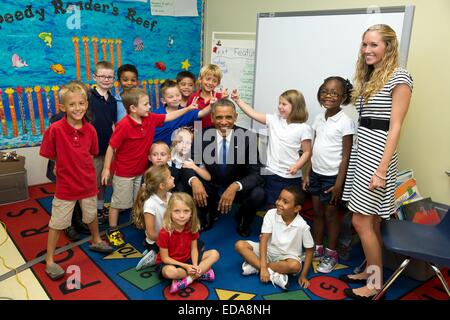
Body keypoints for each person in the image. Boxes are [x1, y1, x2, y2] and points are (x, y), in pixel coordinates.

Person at [340, 24, 413, 300]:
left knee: (361, 222)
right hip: (363, 149)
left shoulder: (400, 77)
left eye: (374, 45)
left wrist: (382, 170)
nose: (367, 50)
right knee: (368, 221)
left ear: (388, 48)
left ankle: (375, 284)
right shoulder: (370, 77)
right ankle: (371, 273)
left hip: (378, 155)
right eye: (364, 44)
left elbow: (395, 127)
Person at [101, 88, 198, 248]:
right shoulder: (124, 125)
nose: (149, 107)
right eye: (146, 104)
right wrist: (106, 169)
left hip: (141, 170)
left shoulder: (149, 118)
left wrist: (187, 108)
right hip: (124, 172)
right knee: (118, 202)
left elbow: (168, 116)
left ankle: (138, 220)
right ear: (133, 108)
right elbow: (112, 147)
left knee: (135, 199)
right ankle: (112, 229)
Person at [39, 82, 114, 280]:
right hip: (65, 186)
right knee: (58, 222)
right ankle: (49, 259)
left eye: (81, 103)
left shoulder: (90, 130)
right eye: (72, 105)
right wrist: (60, 164)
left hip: (88, 182)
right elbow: (49, 153)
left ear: (87, 104)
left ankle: (96, 240)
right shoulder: (55, 129)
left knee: (91, 215)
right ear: (63, 107)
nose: (78, 108)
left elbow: (92, 152)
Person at [183, 98, 265, 237]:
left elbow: (256, 173)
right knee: (189, 182)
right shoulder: (201, 135)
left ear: (235, 117)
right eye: (219, 117)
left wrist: (235, 186)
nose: (223, 122)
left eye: (228, 117)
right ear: (212, 117)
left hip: (236, 187)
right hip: (211, 184)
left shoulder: (248, 136)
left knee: (258, 194)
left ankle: (243, 217)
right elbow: (188, 163)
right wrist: (194, 181)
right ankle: (209, 211)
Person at [303, 76, 355, 273]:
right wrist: (307, 172)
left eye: (334, 92)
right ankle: (317, 247)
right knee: (317, 213)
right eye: (325, 91)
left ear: (343, 97)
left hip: (333, 177)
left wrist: (339, 184)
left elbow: (346, 156)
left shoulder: (346, 122)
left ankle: (331, 253)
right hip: (316, 173)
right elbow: (314, 147)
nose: (328, 95)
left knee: (331, 215)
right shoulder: (318, 117)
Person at [231, 89, 312, 208]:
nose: (280, 107)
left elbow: (307, 151)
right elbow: (252, 113)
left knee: (287, 207)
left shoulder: (304, 128)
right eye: (279, 103)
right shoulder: (275, 120)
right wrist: (238, 100)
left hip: (290, 177)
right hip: (272, 173)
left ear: (295, 106)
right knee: (272, 206)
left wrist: (297, 166)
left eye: (284, 104)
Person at [235, 186, 314, 290]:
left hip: (286, 258)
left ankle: (256, 267)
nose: (279, 203)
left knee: (295, 266)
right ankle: (273, 273)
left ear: (296, 208)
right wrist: (263, 267)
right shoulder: (271, 214)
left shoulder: (302, 226)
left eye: (285, 202)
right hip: (267, 252)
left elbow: (309, 251)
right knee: (240, 245)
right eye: (279, 198)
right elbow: (263, 240)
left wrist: (303, 276)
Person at [156, 192, 220, 293]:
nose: (182, 216)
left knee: (214, 254)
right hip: (170, 263)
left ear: (191, 213)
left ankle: (188, 279)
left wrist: (194, 265)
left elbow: (194, 249)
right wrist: (186, 266)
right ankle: (201, 274)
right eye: (177, 211)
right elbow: (165, 258)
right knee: (170, 273)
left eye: (186, 211)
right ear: (170, 212)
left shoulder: (191, 227)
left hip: (188, 259)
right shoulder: (164, 232)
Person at [90, 61, 117, 224]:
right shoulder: (88, 97)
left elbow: (113, 124)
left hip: (108, 150)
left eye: (110, 77)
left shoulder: (113, 100)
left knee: (104, 182)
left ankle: (99, 209)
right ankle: (89, 212)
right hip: (92, 150)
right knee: (92, 184)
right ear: (95, 77)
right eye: (102, 76)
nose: (106, 79)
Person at [132, 165, 174, 270]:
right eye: (170, 177)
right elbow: (151, 234)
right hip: (157, 240)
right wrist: (169, 239)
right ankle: (154, 255)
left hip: (169, 235)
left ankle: (155, 252)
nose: (173, 178)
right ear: (162, 186)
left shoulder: (170, 196)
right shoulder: (150, 204)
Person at [153, 79, 211, 146]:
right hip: (160, 152)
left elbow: (202, 113)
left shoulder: (187, 111)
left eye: (178, 95)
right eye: (171, 97)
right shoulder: (156, 114)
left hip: (179, 152)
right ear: (163, 100)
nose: (175, 99)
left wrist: (212, 104)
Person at [187, 64, 228, 128]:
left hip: (215, 131)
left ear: (218, 83)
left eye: (214, 81)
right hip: (197, 132)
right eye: (208, 79)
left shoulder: (220, 97)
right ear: (200, 79)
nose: (210, 83)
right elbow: (189, 118)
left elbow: (224, 118)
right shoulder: (193, 97)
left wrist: (224, 101)